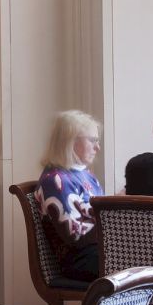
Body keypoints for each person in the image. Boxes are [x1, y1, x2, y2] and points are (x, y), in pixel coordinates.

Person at [38, 110, 104, 289]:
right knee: (140, 261)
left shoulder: (85, 174)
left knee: (146, 258)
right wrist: (114, 222)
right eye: (93, 140)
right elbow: (76, 235)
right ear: (71, 141)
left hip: (96, 253)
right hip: (79, 260)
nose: (97, 148)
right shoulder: (56, 180)